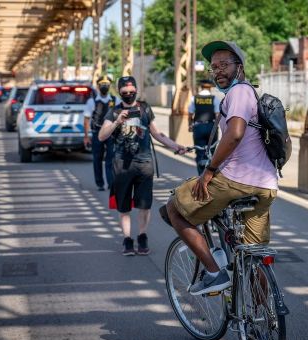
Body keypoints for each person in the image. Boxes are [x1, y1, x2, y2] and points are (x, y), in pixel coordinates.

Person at [164, 41, 279, 295]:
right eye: (213, 67)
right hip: (266, 185)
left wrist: (209, 171)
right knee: (252, 253)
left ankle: (215, 273)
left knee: (175, 208)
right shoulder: (250, 93)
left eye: (224, 65)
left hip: (238, 180)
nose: (218, 71)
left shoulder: (238, 93)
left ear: (240, 67)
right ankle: (261, 323)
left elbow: (235, 134)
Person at [98, 76, 187, 256]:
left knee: (144, 204)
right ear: (119, 92)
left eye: (132, 92)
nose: (129, 95)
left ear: (136, 90)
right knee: (123, 206)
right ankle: (127, 239)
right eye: (125, 92)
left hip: (144, 163)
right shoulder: (113, 112)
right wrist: (117, 122)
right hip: (122, 164)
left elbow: (157, 133)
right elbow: (101, 136)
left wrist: (175, 146)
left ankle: (142, 236)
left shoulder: (145, 108)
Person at [84, 75, 119, 191]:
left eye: (107, 85)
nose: (104, 87)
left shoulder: (115, 100)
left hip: (111, 133)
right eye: (102, 85)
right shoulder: (92, 101)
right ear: (98, 86)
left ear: (109, 86)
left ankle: (111, 182)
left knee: (111, 158)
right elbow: (87, 119)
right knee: (97, 158)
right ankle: (100, 183)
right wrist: (86, 136)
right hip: (97, 132)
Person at [188, 79, 221, 175]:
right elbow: (217, 114)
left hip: (198, 127)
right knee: (211, 152)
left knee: (199, 151)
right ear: (210, 87)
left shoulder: (194, 98)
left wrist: (190, 125)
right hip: (211, 127)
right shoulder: (214, 98)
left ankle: (200, 175)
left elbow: (190, 113)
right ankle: (210, 175)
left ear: (201, 87)